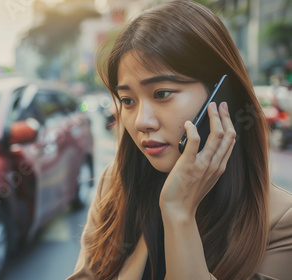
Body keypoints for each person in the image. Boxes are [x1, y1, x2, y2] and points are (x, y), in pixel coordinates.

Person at [67, 1, 292, 280]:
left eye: (162, 94)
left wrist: (178, 214)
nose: (141, 121)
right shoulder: (114, 186)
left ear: (222, 97)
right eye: (127, 100)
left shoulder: (281, 223)